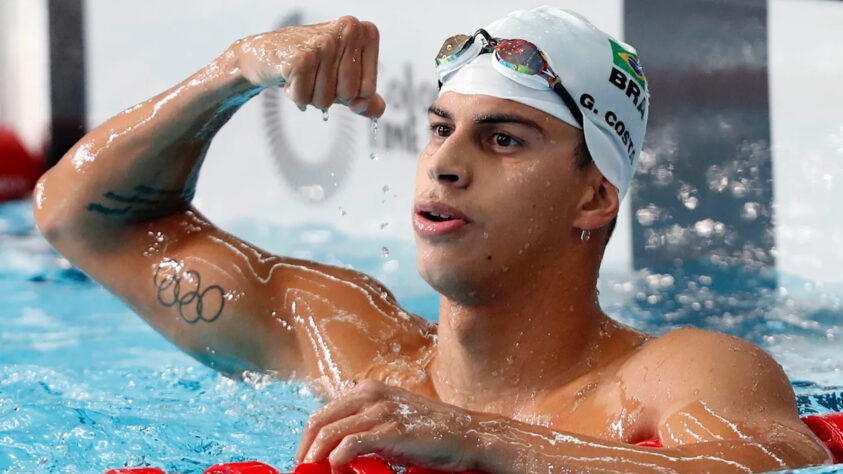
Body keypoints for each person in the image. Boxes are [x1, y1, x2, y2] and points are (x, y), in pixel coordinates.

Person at [33, 6, 832, 473]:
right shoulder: (339, 345)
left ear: (593, 194)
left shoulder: (673, 374)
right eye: (441, 129)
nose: (444, 165)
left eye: (503, 140)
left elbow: (768, 462)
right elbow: (85, 220)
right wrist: (232, 71)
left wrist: (486, 443)